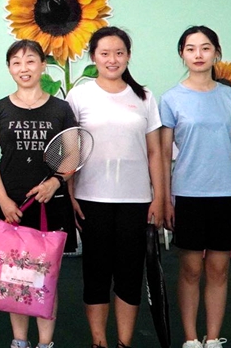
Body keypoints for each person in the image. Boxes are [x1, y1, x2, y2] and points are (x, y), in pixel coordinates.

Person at [65, 26, 164, 348]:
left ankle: (123, 343)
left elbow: (155, 152)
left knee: (129, 275)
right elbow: (71, 150)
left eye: (119, 53)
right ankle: (99, 342)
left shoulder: (144, 97)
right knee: (96, 274)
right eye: (105, 53)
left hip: (136, 201)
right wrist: (70, 194)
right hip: (90, 199)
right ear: (93, 57)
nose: (112, 59)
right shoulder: (79, 96)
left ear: (128, 56)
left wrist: (159, 197)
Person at [0, 40, 79, 348]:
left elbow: (72, 155)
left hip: (50, 204)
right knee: (15, 275)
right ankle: (20, 341)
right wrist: (3, 201)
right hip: (12, 205)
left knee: (46, 275)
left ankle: (45, 342)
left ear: (42, 65)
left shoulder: (61, 109)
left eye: (31, 61)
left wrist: (56, 183)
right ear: (9, 68)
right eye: (17, 62)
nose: (24, 68)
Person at [159, 26, 231, 348]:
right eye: (191, 48)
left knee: (218, 270)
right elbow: (163, 155)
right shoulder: (171, 99)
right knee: (190, 271)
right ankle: (190, 339)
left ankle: (212, 339)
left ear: (216, 52)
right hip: (188, 195)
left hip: (226, 195)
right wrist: (166, 199)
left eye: (205, 48)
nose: (198, 54)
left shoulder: (229, 97)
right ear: (182, 54)